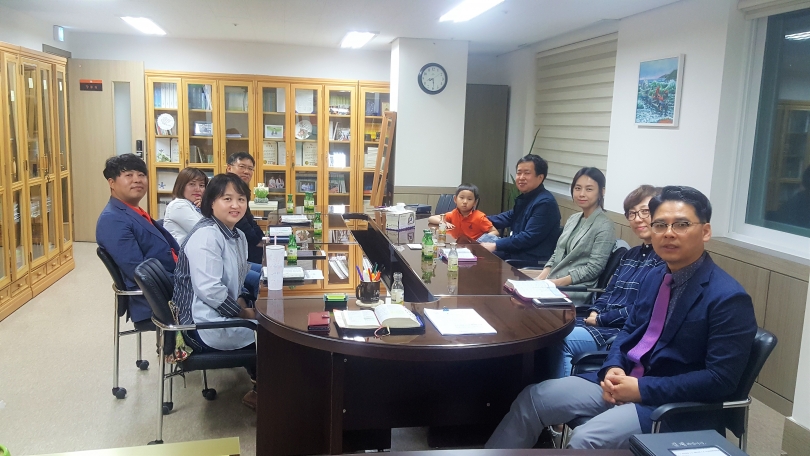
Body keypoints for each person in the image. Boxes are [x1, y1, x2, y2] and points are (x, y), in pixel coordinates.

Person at [485, 185, 758, 450]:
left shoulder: (728, 298)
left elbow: (720, 379)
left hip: (668, 404)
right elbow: (629, 331)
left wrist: (642, 389)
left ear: (705, 231)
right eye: (660, 225)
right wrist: (613, 367)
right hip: (623, 381)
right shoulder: (655, 276)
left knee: (584, 439)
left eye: (682, 225)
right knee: (534, 398)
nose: (668, 233)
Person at [550, 185, 664, 378]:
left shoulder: (663, 261)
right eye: (632, 213)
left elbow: (642, 311)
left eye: (645, 211)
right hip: (598, 321)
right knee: (549, 328)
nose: (637, 218)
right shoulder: (631, 254)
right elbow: (609, 291)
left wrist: (601, 319)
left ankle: (565, 388)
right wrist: (595, 310)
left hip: (619, 332)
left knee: (560, 338)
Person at [173, 173, 258, 410]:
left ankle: (260, 383)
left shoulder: (236, 235)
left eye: (241, 199)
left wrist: (243, 301)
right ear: (211, 202)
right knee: (275, 335)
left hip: (217, 315)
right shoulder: (206, 235)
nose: (235, 205)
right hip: (200, 327)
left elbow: (237, 277)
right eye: (227, 199)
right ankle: (261, 392)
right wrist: (243, 313)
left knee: (268, 323)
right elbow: (210, 290)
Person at [96, 154, 180, 324]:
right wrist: (189, 282)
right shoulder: (112, 219)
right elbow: (140, 272)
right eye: (129, 175)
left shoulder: (132, 211)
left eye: (141, 175)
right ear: (112, 183)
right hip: (157, 299)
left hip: (173, 281)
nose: (137, 180)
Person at [535, 167, 614, 305]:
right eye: (577, 188)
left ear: (602, 192)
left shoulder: (605, 226)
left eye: (589, 189)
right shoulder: (573, 218)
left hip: (575, 289)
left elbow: (593, 269)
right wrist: (540, 278)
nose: (581, 194)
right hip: (553, 281)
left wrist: (557, 283)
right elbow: (558, 253)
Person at [483, 155, 561, 262]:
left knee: (481, 257)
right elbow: (507, 217)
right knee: (475, 253)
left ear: (540, 177)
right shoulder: (527, 197)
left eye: (527, 173)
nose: (521, 177)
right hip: (517, 252)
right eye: (519, 173)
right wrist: (476, 220)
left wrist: (496, 245)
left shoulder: (545, 203)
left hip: (530, 259)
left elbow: (528, 237)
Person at [226, 152, 265, 265]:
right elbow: (240, 222)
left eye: (250, 169)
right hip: (233, 247)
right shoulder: (223, 187)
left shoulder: (242, 188)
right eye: (242, 167)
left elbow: (249, 218)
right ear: (229, 168)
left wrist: (262, 238)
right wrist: (258, 241)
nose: (246, 172)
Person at [427, 183, 499, 240]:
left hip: (473, 248)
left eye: (469, 199)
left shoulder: (479, 217)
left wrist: (481, 240)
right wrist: (443, 222)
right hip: (456, 245)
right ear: (455, 199)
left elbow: (495, 232)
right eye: (461, 198)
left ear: (475, 202)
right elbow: (431, 218)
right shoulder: (453, 214)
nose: (465, 202)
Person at [163, 167, 208, 245]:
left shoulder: (197, 205)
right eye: (192, 184)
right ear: (181, 186)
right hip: (182, 252)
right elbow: (205, 232)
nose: (198, 189)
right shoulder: (178, 205)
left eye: (201, 185)